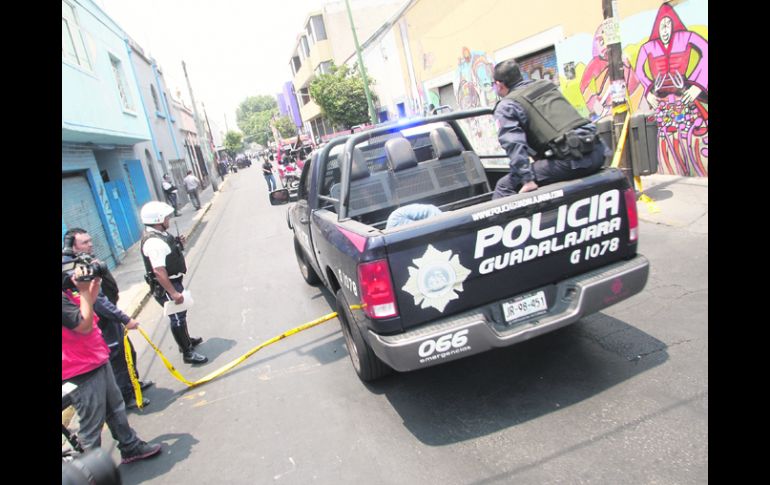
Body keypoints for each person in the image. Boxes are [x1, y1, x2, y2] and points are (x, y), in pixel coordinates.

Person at [62, 265, 162, 463]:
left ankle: (130, 447)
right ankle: (89, 469)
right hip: (79, 369)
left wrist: (93, 285)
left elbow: (88, 307)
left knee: (115, 408)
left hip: (94, 357)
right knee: (92, 425)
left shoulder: (66, 292)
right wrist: (83, 291)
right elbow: (83, 325)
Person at [490, 59, 609, 199]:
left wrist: (527, 180)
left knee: (504, 186)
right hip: (597, 151)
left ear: (499, 84)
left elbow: (514, 144)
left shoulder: (507, 105)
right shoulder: (545, 86)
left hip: (572, 160)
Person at [63, 228, 154, 409]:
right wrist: (125, 318)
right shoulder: (75, 272)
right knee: (118, 360)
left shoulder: (87, 262)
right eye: (84, 243)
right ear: (72, 247)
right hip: (102, 322)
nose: (90, 245)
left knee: (128, 353)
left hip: (109, 319)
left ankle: (134, 384)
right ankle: (127, 397)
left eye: (90, 241)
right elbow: (99, 302)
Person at [140, 201, 208, 364]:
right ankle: (187, 352)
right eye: (165, 217)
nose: (168, 219)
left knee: (181, 314)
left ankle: (186, 341)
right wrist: (173, 293)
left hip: (174, 281)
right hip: (167, 286)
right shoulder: (154, 242)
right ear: (158, 220)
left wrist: (179, 245)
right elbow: (159, 271)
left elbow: (168, 255)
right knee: (177, 317)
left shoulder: (160, 235)